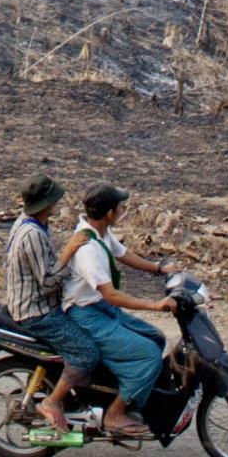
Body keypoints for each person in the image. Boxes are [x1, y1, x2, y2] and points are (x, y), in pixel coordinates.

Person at [57, 182, 178, 442]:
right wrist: (155, 305)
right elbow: (111, 295)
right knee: (147, 355)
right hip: (87, 314)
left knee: (156, 338)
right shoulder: (88, 249)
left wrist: (158, 269)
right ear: (110, 213)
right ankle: (115, 413)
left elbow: (123, 254)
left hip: (99, 308)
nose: (122, 209)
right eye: (120, 206)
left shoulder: (98, 232)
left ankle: (128, 392)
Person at [0, 174, 96, 441]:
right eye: (53, 201)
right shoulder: (32, 234)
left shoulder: (29, 223)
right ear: (45, 204)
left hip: (34, 303)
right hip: (37, 312)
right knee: (86, 352)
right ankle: (52, 402)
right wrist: (70, 252)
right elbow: (47, 282)